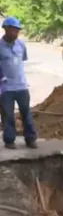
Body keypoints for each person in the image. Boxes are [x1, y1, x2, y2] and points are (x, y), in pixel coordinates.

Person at [0, 17, 37, 149]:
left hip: (21, 86)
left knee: (26, 113)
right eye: (13, 30)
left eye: (17, 31)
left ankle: (31, 139)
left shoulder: (21, 45)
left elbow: (22, 61)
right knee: (7, 115)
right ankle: (9, 141)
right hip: (6, 88)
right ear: (6, 29)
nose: (16, 33)